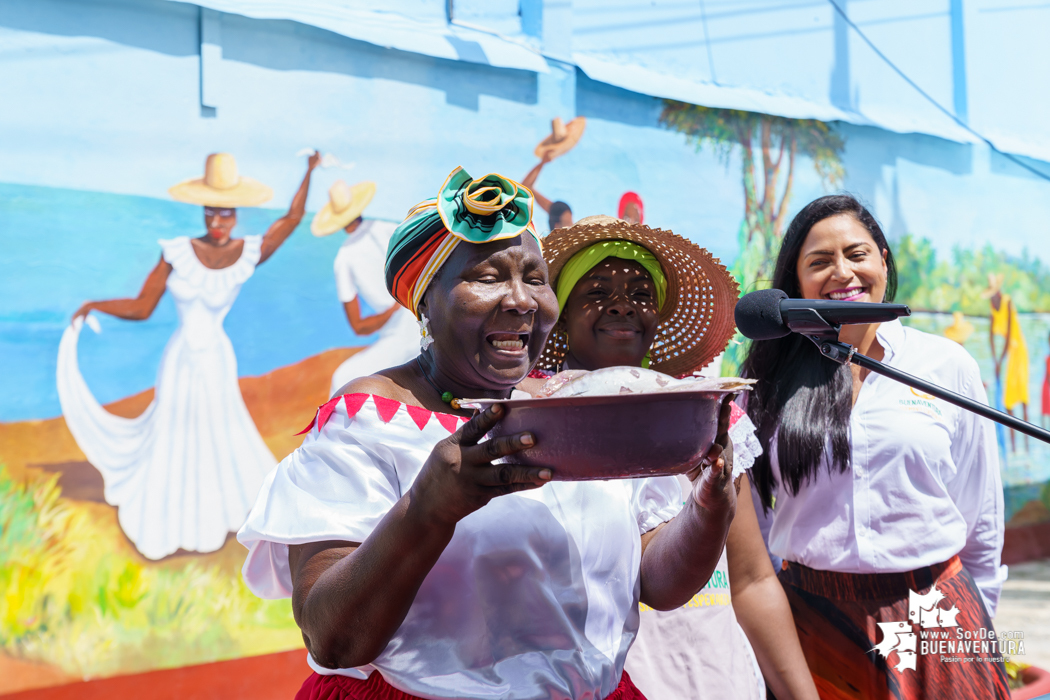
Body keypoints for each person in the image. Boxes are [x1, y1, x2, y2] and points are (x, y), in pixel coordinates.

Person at [238, 167, 738, 700]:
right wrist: (428, 508)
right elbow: (331, 639)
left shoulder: (581, 407)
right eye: (489, 276)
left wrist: (709, 508)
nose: (522, 300)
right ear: (425, 302)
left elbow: (657, 585)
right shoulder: (368, 421)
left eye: (535, 278)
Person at [532, 216, 818, 700]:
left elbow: (750, 580)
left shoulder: (707, 413)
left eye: (643, 293)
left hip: (718, 676)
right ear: (560, 311)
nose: (622, 304)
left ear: (659, 313)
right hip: (595, 680)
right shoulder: (532, 418)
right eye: (596, 290)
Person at [743, 194, 1009, 699]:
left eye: (857, 254)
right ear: (795, 282)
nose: (842, 272)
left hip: (940, 615)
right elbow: (752, 531)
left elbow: (981, 519)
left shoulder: (945, 365)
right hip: (813, 620)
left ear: (883, 260)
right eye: (819, 262)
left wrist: (976, 629)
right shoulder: (768, 380)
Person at [57, 150, 320, 560]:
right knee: (176, 434)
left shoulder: (250, 251)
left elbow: (289, 221)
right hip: (180, 360)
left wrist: (309, 171)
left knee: (215, 432)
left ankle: (214, 510)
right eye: (211, 213)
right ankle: (174, 514)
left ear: (236, 214)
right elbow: (143, 307)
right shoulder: (176, 251)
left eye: (226, 214)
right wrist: (95, 304)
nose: (218, 223)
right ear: (202, 212)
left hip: (216, 358)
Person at [310, 179, 419, 397]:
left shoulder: (344, 258)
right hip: (425, 318)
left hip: (400, 334)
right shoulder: (390, 228)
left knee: (342, 378)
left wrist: (391, 311)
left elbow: (359, 326)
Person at [985, 273, 1030, 451]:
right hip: (1007, 355)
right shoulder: (992, 307)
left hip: (1018, 352)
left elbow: (1010, 335)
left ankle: (1026, 445)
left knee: (1022, 398)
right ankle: (1013, 449)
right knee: (1008, 402)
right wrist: (995, 360)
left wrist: (1000, 361)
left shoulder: (1008, 302)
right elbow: (990, 338)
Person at [522, 116, 585, 232]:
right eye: (568, 223)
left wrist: (542, 163)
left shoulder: (559, 210)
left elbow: (526, 187)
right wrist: (542, 163)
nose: (571, 225)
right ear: (556, 225)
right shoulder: (558, 210)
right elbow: (526, 187)